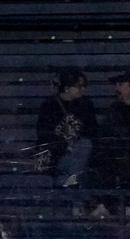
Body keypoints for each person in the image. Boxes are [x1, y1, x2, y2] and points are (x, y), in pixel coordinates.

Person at [92, 71, 130, 218]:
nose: (116, 88)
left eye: (121, 84)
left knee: (122, 158)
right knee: (103, 158)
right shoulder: (114, 109)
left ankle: (128, 204)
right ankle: (105, 204)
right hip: (117, 151)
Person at [34, 70, 97, 199]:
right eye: (79, 86)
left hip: (78, 155)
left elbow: (92, 131)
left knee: (84, 147)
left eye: (83, 86)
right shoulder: (49, 105)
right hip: (57, 156)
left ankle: (67, 183)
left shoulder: (86, 104)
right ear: (67, 88)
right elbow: (44, 134)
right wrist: (65, 146)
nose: (82, 89)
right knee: (81, 165)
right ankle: (73, 190)